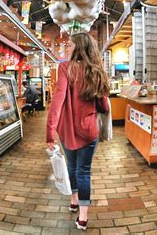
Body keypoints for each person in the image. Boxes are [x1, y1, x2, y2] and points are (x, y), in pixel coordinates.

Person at [46, 32, 110, 231]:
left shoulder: (65, 68)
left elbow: (57, 102)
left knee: (72, 167)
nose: (67, 48)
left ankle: (74, 200)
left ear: (78, 48)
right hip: (89, 131)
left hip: (67, 132)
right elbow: (104, 107)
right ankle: (83, 217)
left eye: (70, 45)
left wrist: (50, 132)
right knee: (84, 172)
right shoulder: (97, 71)